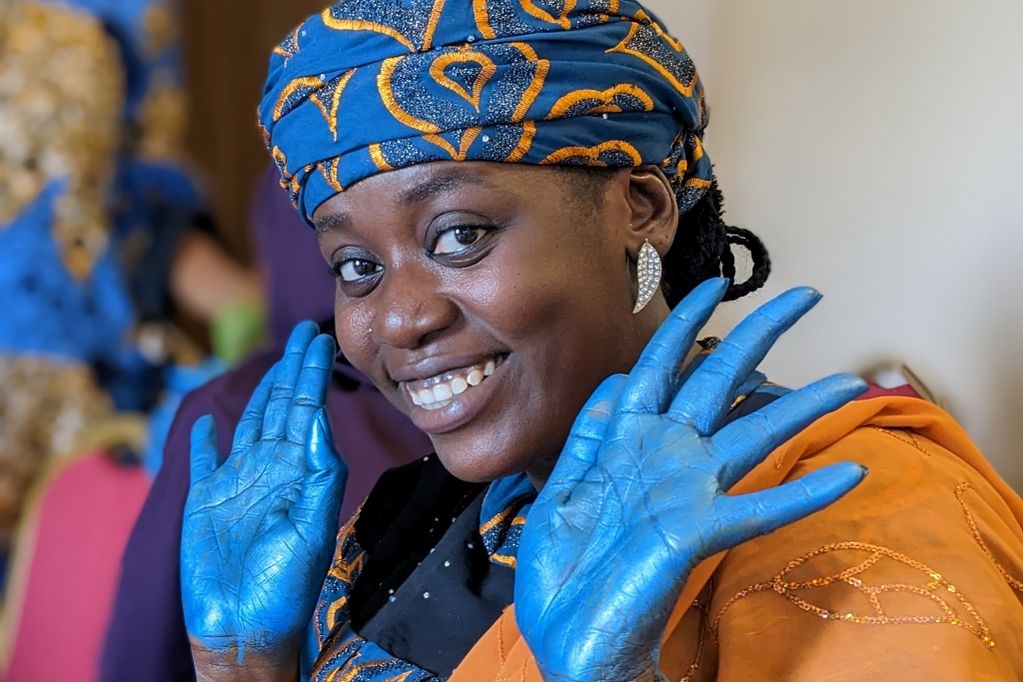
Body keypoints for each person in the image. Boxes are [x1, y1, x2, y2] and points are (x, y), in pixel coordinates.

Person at [180, 2, 1023, 680]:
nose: (398, 318)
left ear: (641, 208)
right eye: (356, 265)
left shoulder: (859, 515)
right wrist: (242, 667)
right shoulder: (419, 514)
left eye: (459, 235)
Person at [101, 166, 433, 680]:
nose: (409, 317)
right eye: (352, 264)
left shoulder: (234, 411)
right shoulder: (526, 401)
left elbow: (141, 654)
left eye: (462, 237)